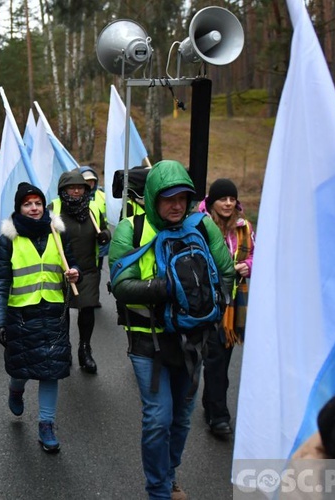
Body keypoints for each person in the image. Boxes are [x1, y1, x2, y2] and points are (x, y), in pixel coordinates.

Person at [108, 160, 235, 500]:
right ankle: (158, 490)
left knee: (181, 419)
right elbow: (120, 284)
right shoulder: (129, 231)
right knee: (158, 418)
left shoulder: (203, 226)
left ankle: (169, 475)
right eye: (168, 198)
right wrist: (170, 287)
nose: (176, 205)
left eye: (183, 197)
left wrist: (213, 308)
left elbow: (225, 271)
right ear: (152, 198)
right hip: (147, 341)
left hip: (193, 340)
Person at [0, 182, 80, 453]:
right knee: (22, 368)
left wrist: (75, 272)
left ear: (44, 206)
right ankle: (16, 389)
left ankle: (46, 425)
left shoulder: (57, 233)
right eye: (27, 204)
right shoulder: (8, 239)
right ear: (19, 208)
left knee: (50, 371)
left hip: (53, 312)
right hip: (20, 314)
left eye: (38, 203)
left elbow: (72, 263)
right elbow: (0, 281)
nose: (34, 208)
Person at [198, 178, 255, 438]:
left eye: (232, 199)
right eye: (223, 199)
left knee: (222, 358)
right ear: (212, 202)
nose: (229, 203)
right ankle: (219, 416)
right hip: (206, 301)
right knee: (214, 359)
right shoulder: (200, 226)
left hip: (233, 304)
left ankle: (212, 405)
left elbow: (256, 254)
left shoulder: (244, 228)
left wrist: (248, 266)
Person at [49, 170, 111, 374]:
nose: (76, 191)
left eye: (80, 187)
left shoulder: (92, 208)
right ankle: (63, 348)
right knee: (62, 311)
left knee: (88, 308)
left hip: (88, 269)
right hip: (61, 270)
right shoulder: (53, 209)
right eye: (71, 187)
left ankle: (85, 349)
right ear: (62, 190)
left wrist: (105, 235)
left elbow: (104, 228)